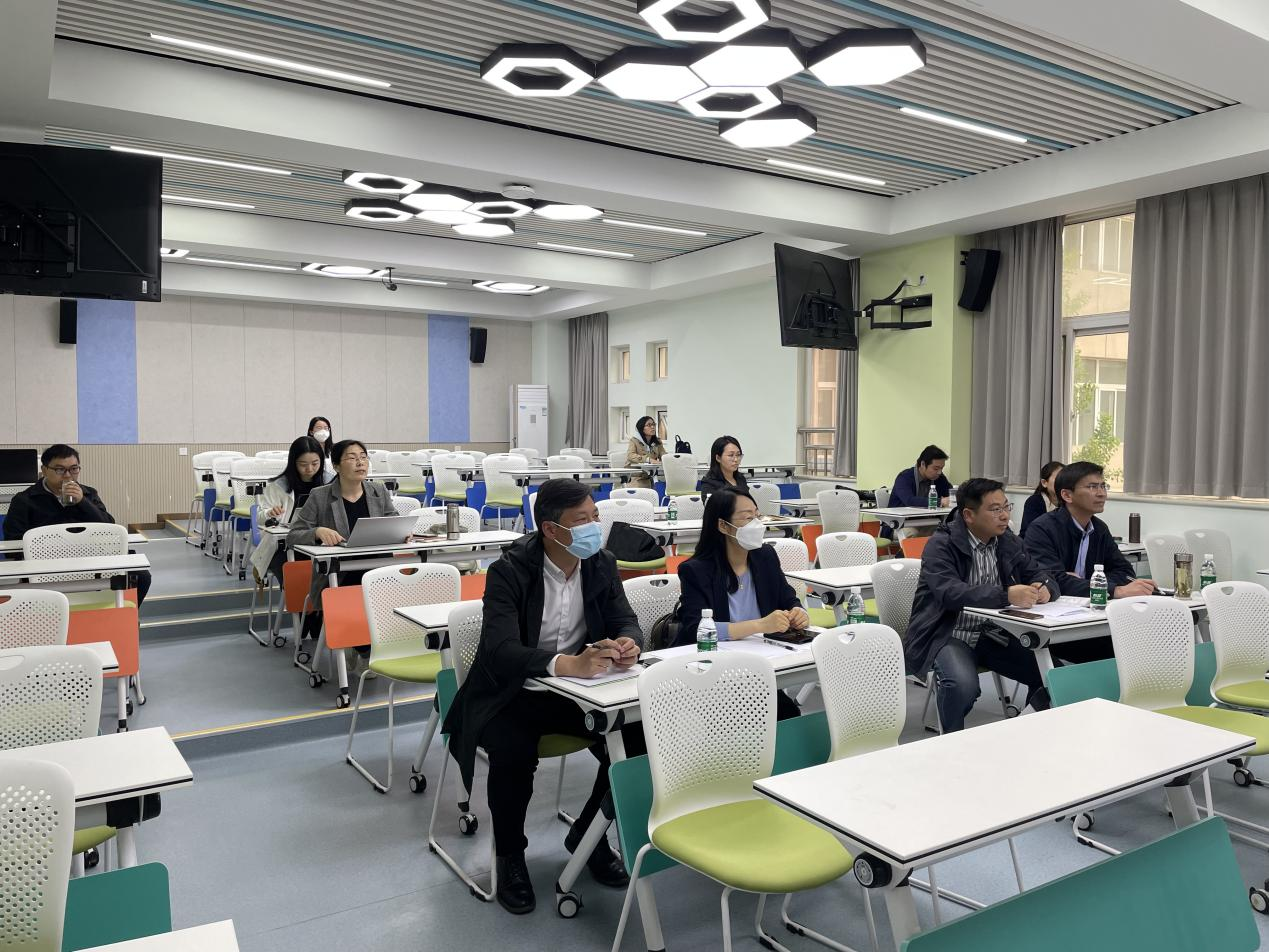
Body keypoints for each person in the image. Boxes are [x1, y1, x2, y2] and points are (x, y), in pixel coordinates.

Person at [442, 478, 643, 916]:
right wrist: (564, 664)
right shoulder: (510, 570)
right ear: (551, 529)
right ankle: (510, 855)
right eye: (582, 520)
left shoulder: (601, 562)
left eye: (595, 516)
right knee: (513, 753)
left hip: (578, 692)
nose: (594, 527)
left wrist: (629, 643)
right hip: (512, 690)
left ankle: (588, 837)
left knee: (637, 740)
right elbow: (500, 650)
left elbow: (625, 619)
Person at [904, 478, 1056, 733]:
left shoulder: (1008, 541)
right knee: (961, 685)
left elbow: (1042, 573)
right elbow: (949, 592)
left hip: (992, 632)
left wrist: (1044, 588)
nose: (1004, 515)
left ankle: (1027, 731)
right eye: (995, 509)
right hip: (947, 631)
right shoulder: (941, 544)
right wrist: (1006, 595)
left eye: (1006, 507)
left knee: (1052, 674)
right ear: (969, 515)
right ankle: (951, 741)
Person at [678, 488, 806, 719]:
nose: (756, 524)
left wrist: (797, 611)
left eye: (757, 515)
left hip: (760, 662)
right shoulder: (695, 570)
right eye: (747, 518)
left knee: (788, 714)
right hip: (714, 672)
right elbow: (695, 629)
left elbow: (787, 597)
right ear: (723, 526)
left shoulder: (765, 556)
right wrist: (759, 625)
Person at [1024, 461, 1155, 662]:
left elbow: (1125, 571)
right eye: (1092, 487)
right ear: (1067, 495)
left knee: (1147, 640)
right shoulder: (1042, 529)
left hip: (1091, 617)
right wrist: (1115, 590)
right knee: (1124, 650)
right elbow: (1052, 580)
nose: (1102, 494)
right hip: (1057, 627)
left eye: (1103, 486)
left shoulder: (1099, 528)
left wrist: (1091, 582)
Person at [287, 440, 398, 674]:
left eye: (363, 457)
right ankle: (365, 649)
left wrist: (401, 532)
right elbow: (293, 535)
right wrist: (317, 532)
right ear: (336, 466)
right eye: (352, 457)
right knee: (360, 588)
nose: (360, 462)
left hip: (379, 570)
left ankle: (365, 647)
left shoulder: (378, 491)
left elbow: (394, 520)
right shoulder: (320, 496)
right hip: (339, 574)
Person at [3, 444, 152, 605]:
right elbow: (13, 543)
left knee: (141, 576)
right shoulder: (24, 500)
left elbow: (109, 527)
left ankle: (121, 613)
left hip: (89, 559)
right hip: (46, 564)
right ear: (44, 470)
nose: (68, 475)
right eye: (60, 470)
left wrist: (83, 502)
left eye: (74, 469)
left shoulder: (88, 493)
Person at [249, 436, 329, 585]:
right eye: (303, 464)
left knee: (332, 571)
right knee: (298, 576)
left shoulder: (329, 482)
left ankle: (319, 599)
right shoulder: (278, 485)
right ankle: (300, 601)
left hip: (320, 542)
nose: (309, 469)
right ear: (293, 463)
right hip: (284, 544)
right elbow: (259, 518)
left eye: (315, 463)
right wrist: (269, 513)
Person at [887, 445, 953, 539]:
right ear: (922, 464)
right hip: (901, 524)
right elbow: (910, 500)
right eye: (935, 468)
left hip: (927, 522)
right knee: (912, 533)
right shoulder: (905, 477)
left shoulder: (939, 478)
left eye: (941, 469)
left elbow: (950, 493)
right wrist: (940, 502)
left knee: (945, 532)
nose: (939, 472)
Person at [1019, 461, 1063, 538]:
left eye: (1065, 478)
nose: (1063, 482)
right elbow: (1028, 532)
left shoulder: (1069, 501)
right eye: (1058, 478)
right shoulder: (1034, 501)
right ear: (1044, 483)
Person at [624, 416, 664, 489]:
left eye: (653, 424)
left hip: (649, 476)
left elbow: (663, 454)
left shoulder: (657, 442)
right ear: (641, 428)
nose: (652, 427)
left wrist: (669, 459)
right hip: (635, 476)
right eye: (649, 425)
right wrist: (648, 460)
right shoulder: (634, 440)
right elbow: (630, 455)